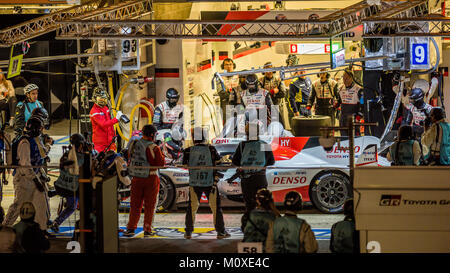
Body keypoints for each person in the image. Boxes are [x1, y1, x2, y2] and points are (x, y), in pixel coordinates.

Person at [182, 127, 230, 239]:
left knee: (192, 208)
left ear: (194, 138)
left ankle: (188, 232)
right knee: (216, 208)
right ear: (204, 137)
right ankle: (221, 232)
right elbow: (219, 163)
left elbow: (184, 165)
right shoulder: (211, 149)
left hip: (194, 183)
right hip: (210, 183)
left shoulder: (188, 151)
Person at [3, 117, 49, 232]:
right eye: (39, 128)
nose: (41, 131)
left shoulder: (33, 139)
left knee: (41, 205)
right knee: (18, 206)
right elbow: (25, 166)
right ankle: (4, 229)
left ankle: (42, 230)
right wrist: (36, 180)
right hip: (24, 180)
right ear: (34, 129)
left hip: (34, 177)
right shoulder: (24, 142)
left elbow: (37, 161)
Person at [231, 122, 275, 230]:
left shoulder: (242, 145)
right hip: (260, 178)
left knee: (249, 205)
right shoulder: (264, 144)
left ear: (246, 133)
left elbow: (235, 162)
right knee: (264, 203)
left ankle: (248, 227)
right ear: (258, 133)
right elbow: (271, 162)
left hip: (247, 180)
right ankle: (265, 227)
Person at [124, 124, 165, 237]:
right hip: (151, 178)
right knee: (150, 205)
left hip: (136, 178)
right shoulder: (154, 147)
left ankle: (131, 228)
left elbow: (129, 156)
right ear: (152, 135)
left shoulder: (134, 144)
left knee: (135, 205)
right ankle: (147, 229)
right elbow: (161, 164)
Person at [49, 134, 89, 232]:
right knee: (72, 207)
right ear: (80, 145)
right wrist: (89, 151)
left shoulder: (66, 154)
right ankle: (57, 222)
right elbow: (89, 164)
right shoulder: (81, 158)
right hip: (70, 189)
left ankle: (54, 192)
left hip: (59, 186)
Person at [90, 87, 123, 153]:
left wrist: (113, 138)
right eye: (101, 98)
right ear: (95, 98)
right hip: (100, 144)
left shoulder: (105, 108)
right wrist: (116, 119)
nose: (103, 100)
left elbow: (110, 126)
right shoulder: (94, 111)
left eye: (104, 98)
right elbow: (104, 124)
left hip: (109, 142)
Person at [339, 69, 363, 135]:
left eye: (347, 78)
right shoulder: (340, 88)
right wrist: (335, 104)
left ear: (351, 78)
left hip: (353, 117)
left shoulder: (358, 89)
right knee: (343, 139)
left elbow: (363, 104)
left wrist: (359, 116)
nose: (345, 80)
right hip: (343, 118)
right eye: (343, 78)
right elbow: (339, 101)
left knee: (355, 138)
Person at [216, 58, 241, 122]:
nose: (229, 66)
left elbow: (241, 90)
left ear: (233, 65)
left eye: (230, 64)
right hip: (226, 102)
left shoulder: (238, 75)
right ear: (223, 66)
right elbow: (220, 92)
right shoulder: (220, 77)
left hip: (237, 102)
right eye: (226, 65)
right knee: (228, 122)